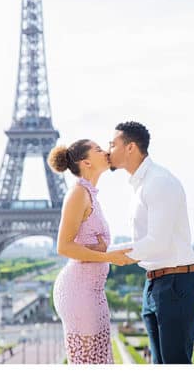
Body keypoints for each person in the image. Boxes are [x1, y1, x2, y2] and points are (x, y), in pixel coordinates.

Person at [107, 121, 194, 364]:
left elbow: (157, 242)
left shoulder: (158, 182)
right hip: (157, 282)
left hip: (175, 283)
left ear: (130, 148)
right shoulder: (141, 185)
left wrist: (106, 254)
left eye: (112, 144)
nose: (108, 150)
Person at [48, 139, 136, 364]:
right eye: (98, 149)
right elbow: (63, 246)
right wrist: (108, 257)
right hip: (79, 291)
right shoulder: (78, 193)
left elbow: (92, 246)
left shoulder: (90, 194)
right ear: (86, 162)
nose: (105, 151)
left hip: (91, 291)